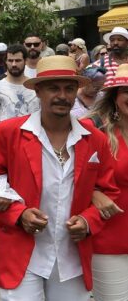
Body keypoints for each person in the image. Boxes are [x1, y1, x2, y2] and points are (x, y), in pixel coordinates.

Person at [0, 55, 120, 300]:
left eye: (69, 88)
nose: (62, 95)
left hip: (70, 255)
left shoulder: (94, 138)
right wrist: (18, 214)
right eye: (54, 88)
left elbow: (108, 191)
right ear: (38, 91)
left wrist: (87, 221)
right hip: (22, 252)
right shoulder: (9, 133)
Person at [88, 64, 128, 300]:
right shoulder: (95, 130)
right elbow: (68, 172)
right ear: (115, 97)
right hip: (110, 240)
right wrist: (93, 192)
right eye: (127, 91)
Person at [0, 44, 40, 132]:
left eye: (18, 60)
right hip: (7, 140)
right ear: (5, 62)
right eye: (10, 60)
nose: (14, 64)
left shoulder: (35, 87)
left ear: (25, 61)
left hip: (32, 139)